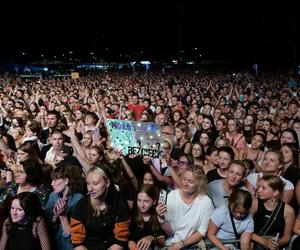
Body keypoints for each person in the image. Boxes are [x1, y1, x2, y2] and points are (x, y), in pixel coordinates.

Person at [70, 165, 131, 250]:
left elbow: (121, 240)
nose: (90, 189)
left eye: (95, 183)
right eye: (88, 183)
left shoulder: (119, 203)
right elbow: (77, 243)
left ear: (107, 183)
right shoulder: (81, 206)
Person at [156, 166, 214, 249]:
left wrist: (182, 244)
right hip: (171, 243)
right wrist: (161, 219)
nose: (185, 183)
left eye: (190, 181)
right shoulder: (172, 196)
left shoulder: (206, 201)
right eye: (184, 179)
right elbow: (170, 231)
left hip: (193, 245)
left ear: (199, 183)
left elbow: (202, 232)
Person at [45, 165, 85, 250]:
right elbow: (46, 224)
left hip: (69, 242)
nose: (52, 183)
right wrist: (55, 216)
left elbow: (77, 232)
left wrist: (63, 215)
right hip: (54, 239)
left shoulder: (78, 198)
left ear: (66, 181)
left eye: (55, 180)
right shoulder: (53, 196)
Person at [251, 175, 295, 250]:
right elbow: (244, 229)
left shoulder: (288, 211)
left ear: (275, 192)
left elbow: (287, 237)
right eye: (258, 187)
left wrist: (275, 244)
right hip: (256, 244)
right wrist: (265, 242)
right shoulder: (254, 204)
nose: (259, 190)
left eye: (263, 188)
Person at [128, 184, 165, 250]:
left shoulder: (158, 215)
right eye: (139, 200)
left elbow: (162, 240)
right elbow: (130, 240)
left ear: (154, 201)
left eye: (146, 201)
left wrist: (152, 238)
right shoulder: (134, 216)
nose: (142, 205)